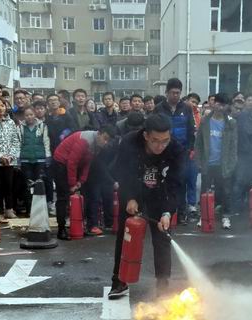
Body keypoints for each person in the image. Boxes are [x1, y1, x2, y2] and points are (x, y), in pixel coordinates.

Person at [108, 114, 184, 300]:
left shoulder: (175, 149)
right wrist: (130, 197)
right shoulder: (129, 142)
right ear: (146, 135)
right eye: (155, 141)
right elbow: (121, 172)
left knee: (162, 236)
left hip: (160, 194)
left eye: (165, 141)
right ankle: (119, 281)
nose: (160, 146)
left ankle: (163, 284)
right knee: (126, 236)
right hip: (134, 191)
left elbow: (176, 184)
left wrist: (167, 212)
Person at [52, 126, 115, 240]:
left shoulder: (97, 145)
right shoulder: (84, 140)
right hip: (61, 162)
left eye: (108, 140)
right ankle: (61, 230)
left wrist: (81, 181)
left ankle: (82, 226)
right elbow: (72, 162)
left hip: (76, 164)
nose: (105, 142)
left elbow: (87, 163)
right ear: (99, 134)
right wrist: (72, 184)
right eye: (105, 138)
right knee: (63, 197)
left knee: (84, 195)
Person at [155, 78, 195, 224]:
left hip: (182, 152)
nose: (176, 95)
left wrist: (190, 148)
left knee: (181, 181)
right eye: (173, 92)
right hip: (163, 150)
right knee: (163, 181)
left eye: (178, 93)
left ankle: (182, 212)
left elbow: (191, 130)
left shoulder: (186, 108)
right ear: (167, 92)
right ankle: (163, 212)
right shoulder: (159, 108)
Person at [194, 93, 237, 230]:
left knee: (225, 192)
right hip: (207, 163)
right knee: (204, 191)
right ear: (213, 103)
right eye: (218, 104)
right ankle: (203, 216)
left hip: (223, 164)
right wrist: (199, 162)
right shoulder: (205, 121)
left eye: (223, 105)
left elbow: (233, 146)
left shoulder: (231, 123)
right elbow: (198, 143)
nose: (220, 107)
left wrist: (231, 165)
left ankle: (226, 216)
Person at [45, 93, 76, 215]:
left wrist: (64, 134)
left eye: (55, 100)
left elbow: (73, 128)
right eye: (50, 100)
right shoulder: (47, 118)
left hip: (66, 152)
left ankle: (70, 206)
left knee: (66, 181)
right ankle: (60, 208)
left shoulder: (66, 115)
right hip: (52, 152)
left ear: (59, 102)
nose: (53, 102)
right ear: (48, 104)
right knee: (57, 181)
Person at [19, 106, 50, 213]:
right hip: (25, 160)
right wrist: (18, 158)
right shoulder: (20, 127)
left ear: (35, 115)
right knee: (27, 184)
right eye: (27, 115)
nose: (29, 117)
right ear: (24, 116)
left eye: (31, 114)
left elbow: (46, 141)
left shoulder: (42, 126)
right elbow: (19, 143)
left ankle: (40, 209)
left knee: (39, 184)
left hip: (40, 159)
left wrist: (48, 156)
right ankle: (29, 209)